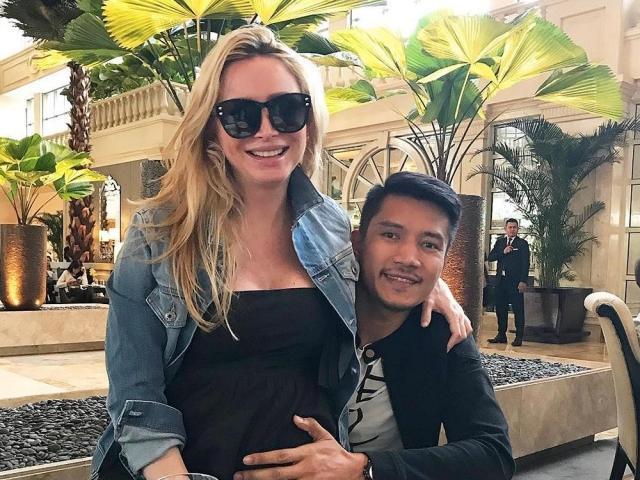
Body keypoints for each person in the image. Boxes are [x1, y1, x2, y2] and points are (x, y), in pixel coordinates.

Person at [91, 26, 471, 480]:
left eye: (288, 109)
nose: (267, 130)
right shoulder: (159, 234)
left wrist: (436, 286)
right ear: (212, 128)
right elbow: (135, 395)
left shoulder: (329, 226)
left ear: (309, 120)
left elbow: (385, 264)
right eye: (241, 116)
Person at [235, 172, 514, 480]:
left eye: (429, 244)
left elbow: (494, 454)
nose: (408, 258)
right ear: (357, 244)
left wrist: (365, 468)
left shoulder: (443, 335)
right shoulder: (308, 314)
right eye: (391, 235)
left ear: (445, 259)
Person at [487, 219, 530, 346]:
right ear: (505, 229)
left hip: (515, 282)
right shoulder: (500, 242)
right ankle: (501, 335)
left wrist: (523, 281)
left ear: (518, 229)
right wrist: (503, 252)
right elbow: (491, 257)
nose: (512, 229)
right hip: (501, 281)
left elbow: (525, 263)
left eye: (514, 227)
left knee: (518, 309)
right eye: (510, 227)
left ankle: (519, 337)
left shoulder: (522, 244)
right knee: (501, 308)